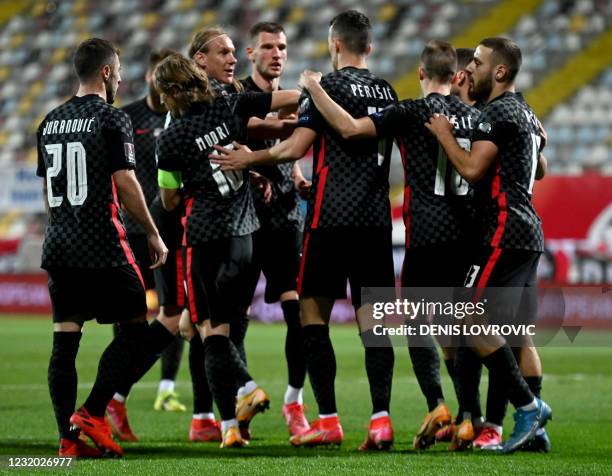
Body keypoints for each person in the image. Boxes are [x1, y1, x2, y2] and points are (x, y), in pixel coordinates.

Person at [211, 10, 397, 449]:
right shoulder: (387, 91)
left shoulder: (325, 87)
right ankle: (381, 420)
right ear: (368, 46)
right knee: (375, 328)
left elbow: (294, 148)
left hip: (329, 221)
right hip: (375, 221)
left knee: (312, 318)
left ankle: (328, 420)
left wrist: (248, 158)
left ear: (335, 45)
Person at [299, 39, 482, 451]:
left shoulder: (410, 112)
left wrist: (314, 87)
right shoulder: (473, 116)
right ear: (456, 77)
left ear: (420, 74)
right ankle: (475, 417)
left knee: (419, 327)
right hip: (468, 237)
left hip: (427, 234)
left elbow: (350, 128)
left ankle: (437, 404)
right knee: (464, 331)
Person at [153, 53, 300, 447]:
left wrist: (189, 183)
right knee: (207, 326)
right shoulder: (229, 103)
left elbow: (167, 200)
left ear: (168, 92)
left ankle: (246, 394)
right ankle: (230, 427)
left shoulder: (170, 138)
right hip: (245, 237)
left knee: (208, 330)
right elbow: (291, 99)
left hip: (204, 239)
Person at [37, 38, 168, 457]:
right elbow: (126, 182)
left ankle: (66, 441)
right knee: (135, 332)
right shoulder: (111, 118)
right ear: (107, 73)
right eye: (121, 71)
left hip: (59, 244)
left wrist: (63, 226)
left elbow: (48, 190)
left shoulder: (49, 121)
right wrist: (152, 231)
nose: (123, 79)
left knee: (65, 342)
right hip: (104, 245)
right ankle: (92, 412)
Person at [425, 37, 551, 454]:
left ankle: (529, 408)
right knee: (515, 333)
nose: (469, 69)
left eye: (477, 62)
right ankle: (536, 430)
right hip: (528, 229)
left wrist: (445, 134)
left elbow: (473, 170)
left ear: (499, 72)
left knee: (465, 317)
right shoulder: (526, 113)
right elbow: (542, 167)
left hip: (504, 227)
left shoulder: (496, 110)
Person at [105, 48, 187, 445]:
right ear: (150, 76)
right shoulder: (129, 116)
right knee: (133, 323)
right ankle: (112, 399)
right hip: (135, 234)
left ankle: (164, 389)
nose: (161, 82)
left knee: (176, 313)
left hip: (172, 229)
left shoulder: (182, 115)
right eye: (156, 75)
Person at [238, 21, 310, 438]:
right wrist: (254, 173)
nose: (276, 53)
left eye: (281, 46)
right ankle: (241, 402)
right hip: (244, 219)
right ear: (251, 53)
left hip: (285, 217)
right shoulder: (238, 97)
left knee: (296, 314)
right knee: (233, 318)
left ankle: (294, 402)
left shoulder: (288, 102)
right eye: (267, 46)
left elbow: (290, 147)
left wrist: (297, 174)